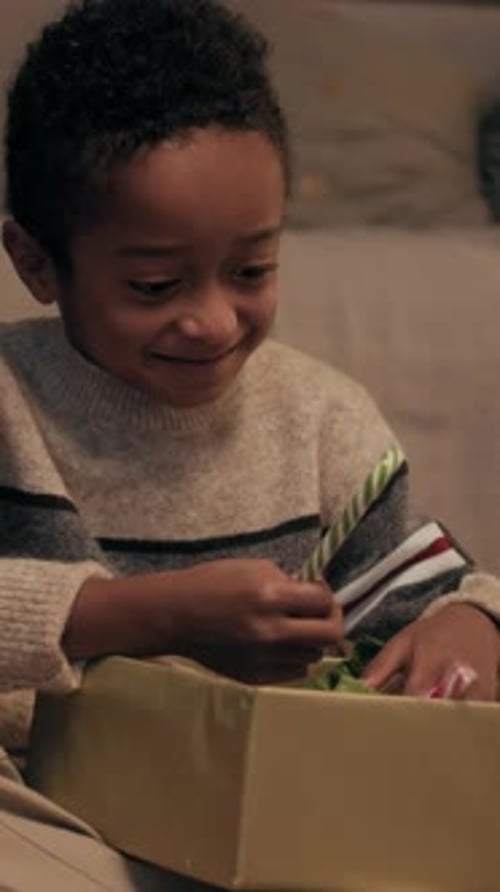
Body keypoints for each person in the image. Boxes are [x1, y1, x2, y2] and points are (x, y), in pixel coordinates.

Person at [0, 0, 499, 888]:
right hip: (39, 800)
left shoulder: (319, 420)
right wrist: (157, 615)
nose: (212, 320)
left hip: (259, 817)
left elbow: (435, 598)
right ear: (38, 263)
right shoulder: (9, 401)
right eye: (154, 284)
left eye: (252, 271)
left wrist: (468, 624)